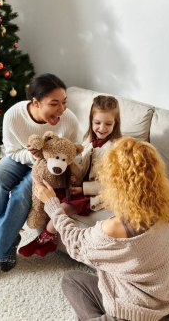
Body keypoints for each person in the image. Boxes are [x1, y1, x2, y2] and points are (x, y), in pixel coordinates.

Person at [34, 136, 169, 321]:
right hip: (159, 303)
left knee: (70, 282)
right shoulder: (165, 211)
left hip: (132, 313)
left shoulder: (113, 229)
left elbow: (76, 244)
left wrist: (52, 204)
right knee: (73, 280)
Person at [0, 73, 79, 288]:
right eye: (54, 103)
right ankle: (7, 243)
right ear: (35, 102)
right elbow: (13, 152)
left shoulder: (68, 120)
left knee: (23, 195)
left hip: (48, 168)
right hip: (22, 158)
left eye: (64, 102)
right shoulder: (14, 116)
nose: (61, 109)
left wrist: (46, 159)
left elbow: (70, 153)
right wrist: (32, 155)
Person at [18, 95, 122, 258]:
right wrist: (74, 175)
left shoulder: (115, 149)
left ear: (116, 124)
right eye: (97, 123)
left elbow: (111, 185)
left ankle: (46, 239)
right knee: (51, 194)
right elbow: (82, 165)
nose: (102, 128)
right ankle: (45, 234)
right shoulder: (88, 141)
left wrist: (82, 188)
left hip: (98, 194)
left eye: (108, 124)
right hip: (80, 186)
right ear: (91, 121)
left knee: (62, 208)